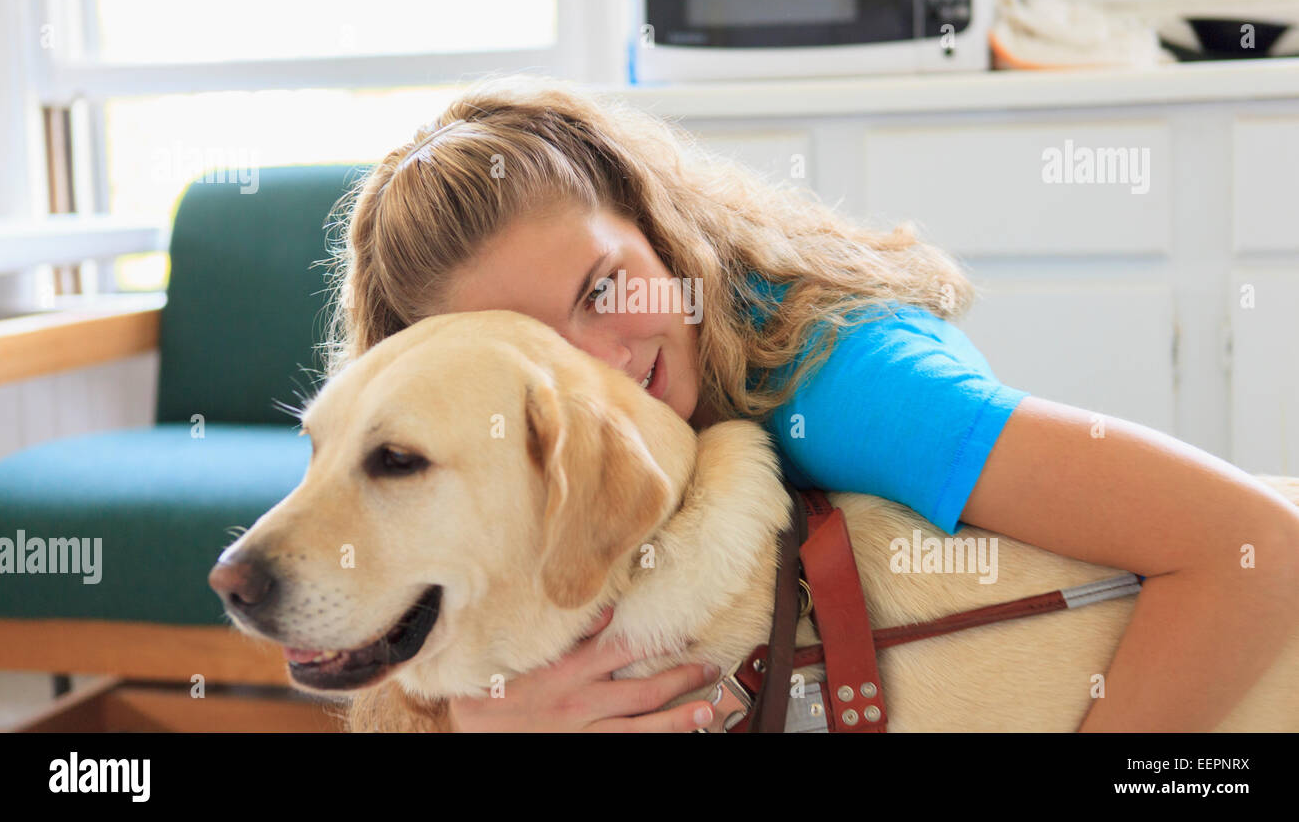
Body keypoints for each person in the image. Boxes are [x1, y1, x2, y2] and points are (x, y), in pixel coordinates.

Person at [323, 73, 1298, 732]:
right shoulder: (528, 439)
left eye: (604, 286)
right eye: (528, 345)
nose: (602, 362)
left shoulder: (851, 392)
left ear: (653, 224)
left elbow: (1254, 544)